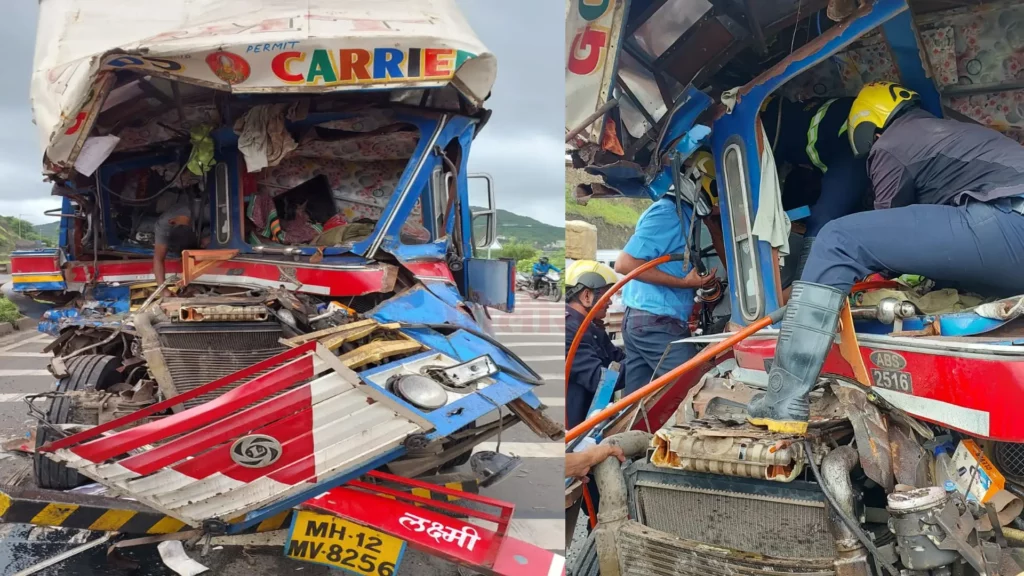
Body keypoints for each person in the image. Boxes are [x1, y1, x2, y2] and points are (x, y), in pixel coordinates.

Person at [748, 81, 1024, 434]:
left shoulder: (892, 145)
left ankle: (782, 398)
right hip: (1007, 227)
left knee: (838, 239)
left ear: (868, 125)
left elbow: (887, 227)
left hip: (1009, 221)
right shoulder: (946, 132)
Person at [614, 193, 717, 394]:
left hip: (644, 321)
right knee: (696, 386)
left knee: (639, 401)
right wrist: (684, 283)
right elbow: (625, 264)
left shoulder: (685, 217)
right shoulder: (669, 214)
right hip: (656, 323)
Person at [761, 95, 872, 280]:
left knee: (823, 219)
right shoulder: (798, 112)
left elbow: (823, 216)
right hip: (860, 123)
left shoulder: (772, 133)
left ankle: (806, 289)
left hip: (851, 137)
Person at [565, 260, 625, 429]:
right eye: (607, 296)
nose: (610, 302)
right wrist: (640, 364)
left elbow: (618, 357)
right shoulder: (570, 331)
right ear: (586, 296)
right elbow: (601, 381)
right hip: (578, 431)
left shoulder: (590, 327)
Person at [153, 201, 200, 292]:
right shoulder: (163, 227)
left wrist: (210, 238)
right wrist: (163, 290)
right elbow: (158, 259)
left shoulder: (207, 212)